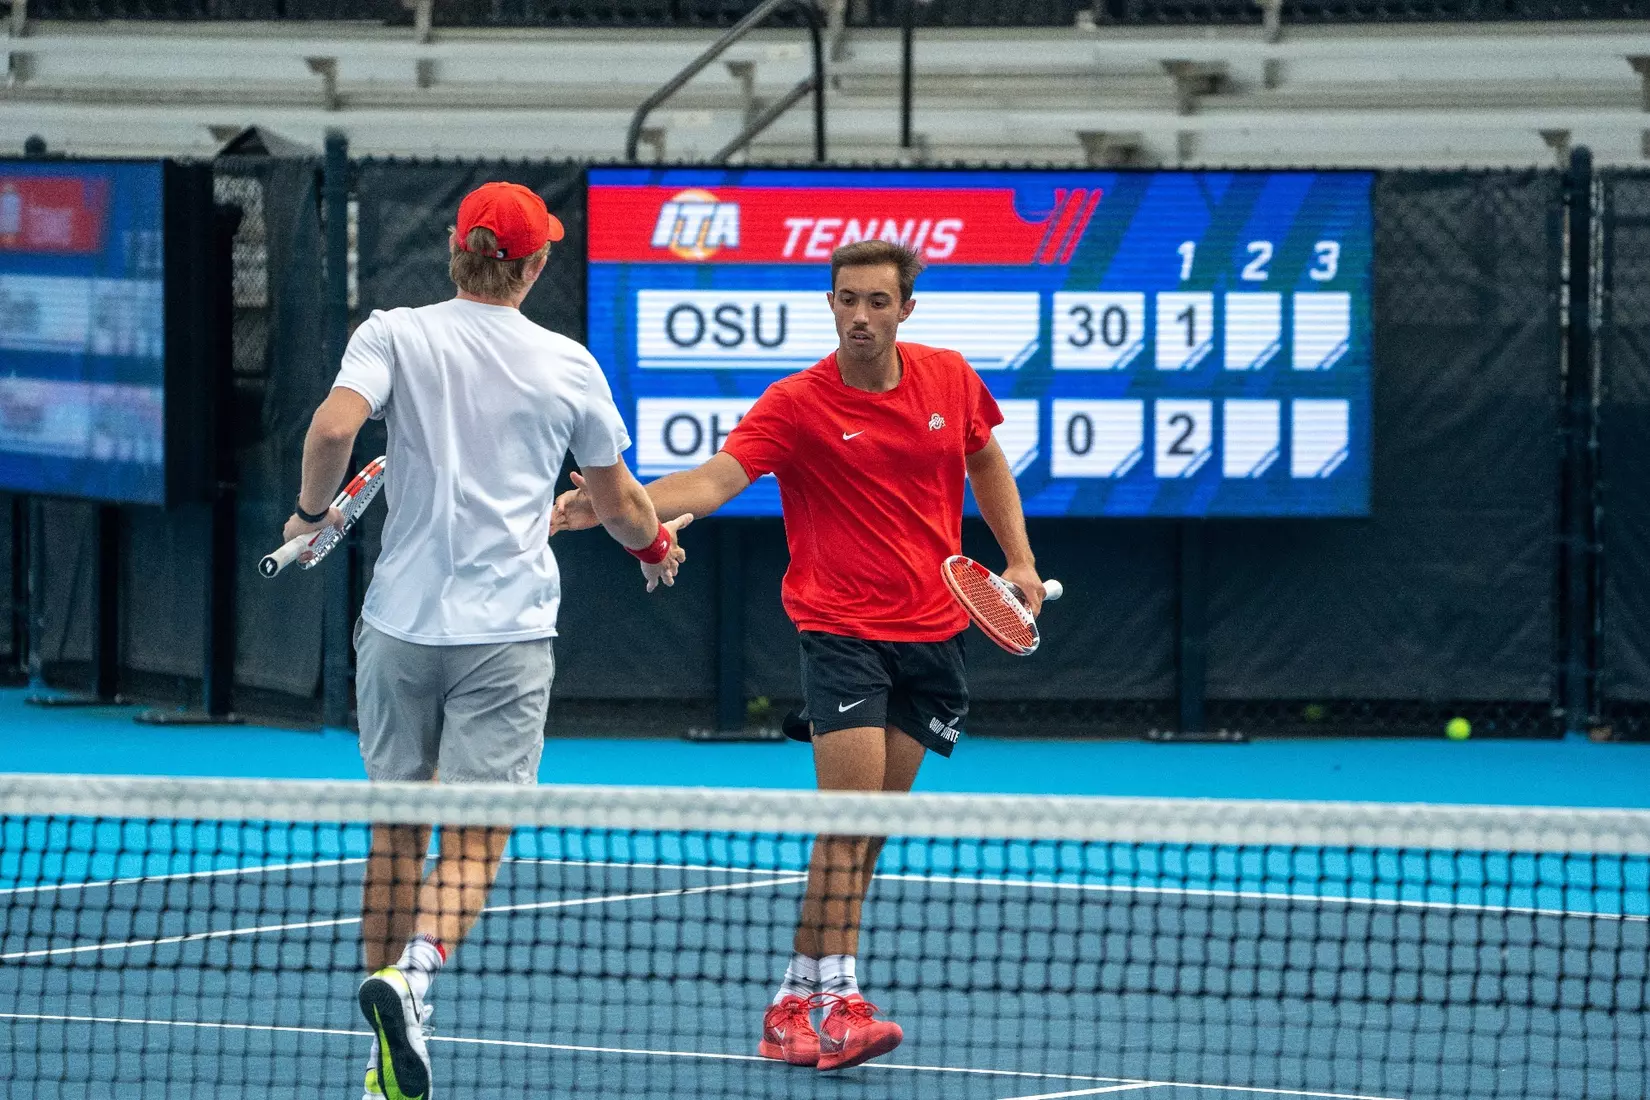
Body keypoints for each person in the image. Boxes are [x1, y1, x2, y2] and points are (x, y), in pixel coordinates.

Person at [551, 238, 1045, 1073]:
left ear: (906, 309)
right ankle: (841, 1002)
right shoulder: (798, 403)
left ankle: (790, 1002)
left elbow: (985, 456)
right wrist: (613, 505)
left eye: (877, 301)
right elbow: (711, 484)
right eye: (847, 298)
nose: (860, 315)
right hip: (841, 634)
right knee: (845, 824)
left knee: (872, 833)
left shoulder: (950, 378)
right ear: (831, 302)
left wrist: (1020, 558)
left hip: (933, 637)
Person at [280, 181, 691, 1100]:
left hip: (397, 629)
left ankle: (379, 1053)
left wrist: (312, 516)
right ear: (536, 263)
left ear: (456, 253)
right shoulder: (568, 364)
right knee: (473, 843)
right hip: (504, 635)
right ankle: (411, 982)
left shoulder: (391, 331)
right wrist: (656, 544)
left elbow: (334, 427)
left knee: (396, 831)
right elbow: (621, 503)